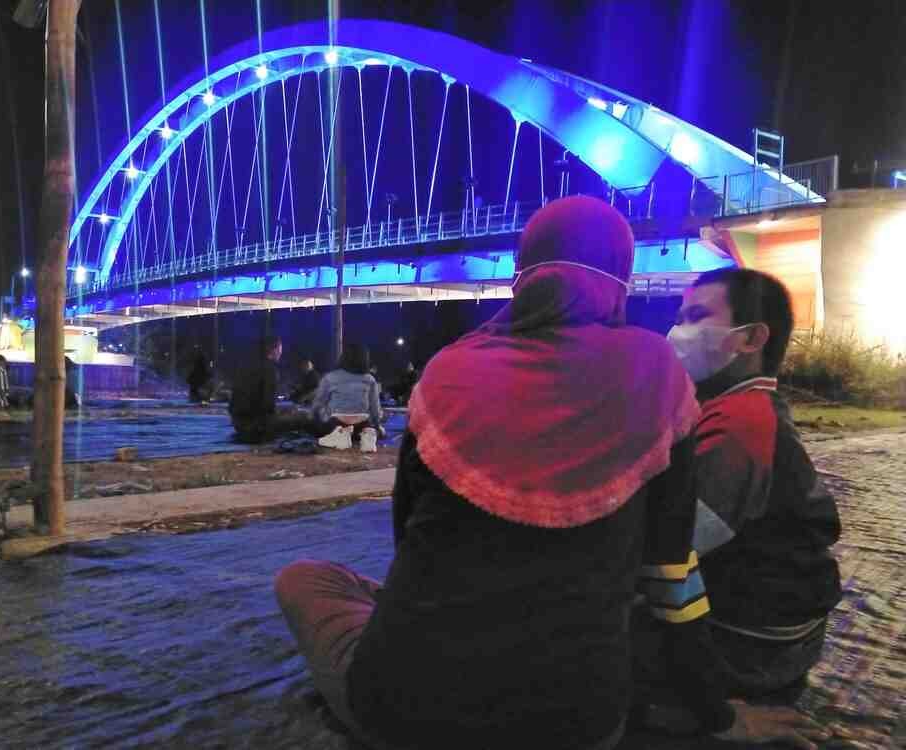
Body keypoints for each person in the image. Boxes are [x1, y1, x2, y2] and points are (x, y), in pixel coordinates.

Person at [273, 197, 827, 749]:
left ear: (521, 276)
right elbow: (671, 579)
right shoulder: (656, 377)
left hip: (406, 712)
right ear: (619, 281)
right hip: (579, 723)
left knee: (303, 578)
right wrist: (719, 717)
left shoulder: (447, 373)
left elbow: (407, 540)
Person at [631, 269, 843, 732]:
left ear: (750, 338)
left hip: (753, 642)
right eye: (681, 316)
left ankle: (687, 719)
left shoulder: (741, 427)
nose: (679, 331)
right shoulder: (739, 406)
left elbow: (670, 553)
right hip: (769, 620)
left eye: (698, 316)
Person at [229, 335, 312, 443]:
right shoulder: (269, 369)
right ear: (274, 349)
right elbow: (267, 407)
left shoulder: (245, 365)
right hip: (256, 427)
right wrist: (283, 413)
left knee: (288, 412)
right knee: (304, 417)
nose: (281, 353)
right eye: (280, 349)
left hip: (238, 424)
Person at [311, 344, 383, 453]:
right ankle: (367, 434)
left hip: (336, 422)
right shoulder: (370, 379)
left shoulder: (330, 377)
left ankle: (341, 434)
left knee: (318, 426)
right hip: (362, 423)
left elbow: (318, 404)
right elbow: (375, 407)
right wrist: (377, 426)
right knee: (369, 428)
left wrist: (315, 418)